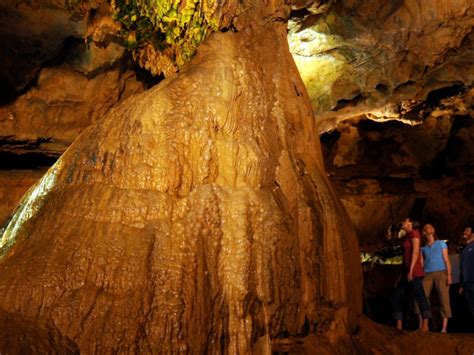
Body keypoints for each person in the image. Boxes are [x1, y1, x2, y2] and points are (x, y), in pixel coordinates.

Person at [391, 218, 432, 331]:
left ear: (411, 223)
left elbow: (415, 251)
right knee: (396, 296)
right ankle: (399, 326)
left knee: (420, 296)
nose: (403, 222)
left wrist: (411, 270)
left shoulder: (414, 233)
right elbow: (405, 257)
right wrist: (401, 275)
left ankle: (425, 325)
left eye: (405, 220)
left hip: (414, 271)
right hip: (406, 272)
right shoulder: (407, 236)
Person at [418, 224, 452, 333]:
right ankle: (423, 326)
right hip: (427, 274)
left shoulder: (441, 243)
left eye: (431, 226)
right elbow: (422, 264)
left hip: (441, 273)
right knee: (422, 298)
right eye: (427, 227)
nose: (430, 228)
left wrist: (449, 275)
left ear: (434, 230)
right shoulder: (423, 248)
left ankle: (444, 329)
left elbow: (446, 260)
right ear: (424, 232)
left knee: (444, 298)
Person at [460, 226, 474, 320]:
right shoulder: (465, 249)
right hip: (466, 283)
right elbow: (462, 267)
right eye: (464, 230)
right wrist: (461, 285)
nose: (464, 232)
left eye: (467, 230)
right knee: (471, 307)